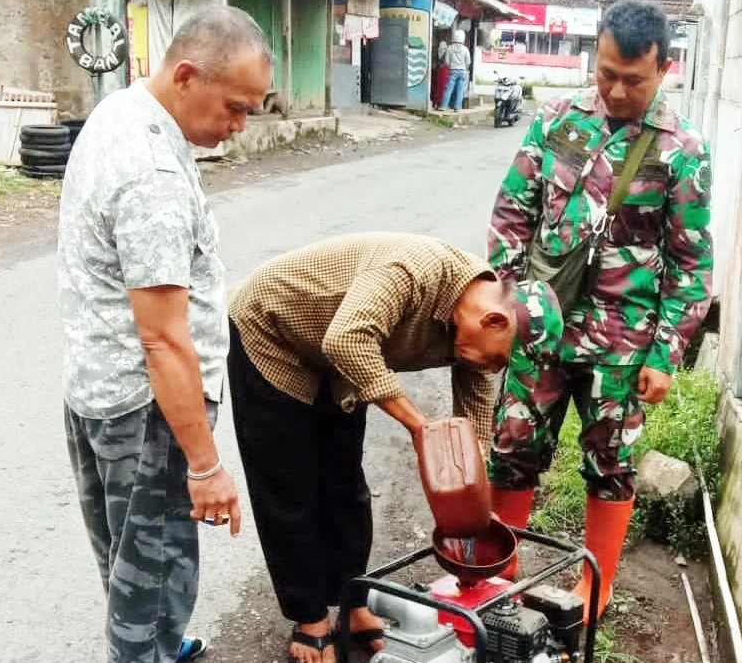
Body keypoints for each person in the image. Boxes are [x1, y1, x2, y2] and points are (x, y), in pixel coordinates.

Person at [226, 232, 563, 663]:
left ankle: (355, 602)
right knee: (289, 488)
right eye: (498, 359)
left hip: (339, 352)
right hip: (275, 330)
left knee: (346, 484)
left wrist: (474, 491)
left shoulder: (476, 328)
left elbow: (475, 407)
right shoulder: (414, 271)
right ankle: (310, 618)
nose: (493, 368)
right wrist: (419, 426)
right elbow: (347, 340)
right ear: (494, 322)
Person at [485, 0, 714, 623]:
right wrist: (506, 303)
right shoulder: (557, 120)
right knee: (511, 448)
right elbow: (513, 213)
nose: (614, 89)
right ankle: (498, 580)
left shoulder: (682, 150)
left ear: (665, 68)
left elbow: (691, 265)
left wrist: (666, 355)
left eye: (632, 79)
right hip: (541, 328)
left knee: (610, 464)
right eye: (606, 72)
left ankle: (597, 587)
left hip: (623, 341)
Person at [57, 6, 272, 663]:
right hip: (147, 409)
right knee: (150, 583)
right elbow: (165, 341)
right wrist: (206, 465)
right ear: (185, 75)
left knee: (130, 561)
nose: (238, 127)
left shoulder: (122, 110)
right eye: (235, 107)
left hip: (98, 385)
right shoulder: (151, 176)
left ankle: (158, 645)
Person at [440, 30, 471, 112]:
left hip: (453, 71)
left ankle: (443, 106)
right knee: (460, 90)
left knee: (449, 89)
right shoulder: (465, 49)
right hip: (462, 71)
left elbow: (446, 61)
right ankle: (457, 107)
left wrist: (451, 66)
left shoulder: (450, 48)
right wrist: (464, 67)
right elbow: (468, 62)